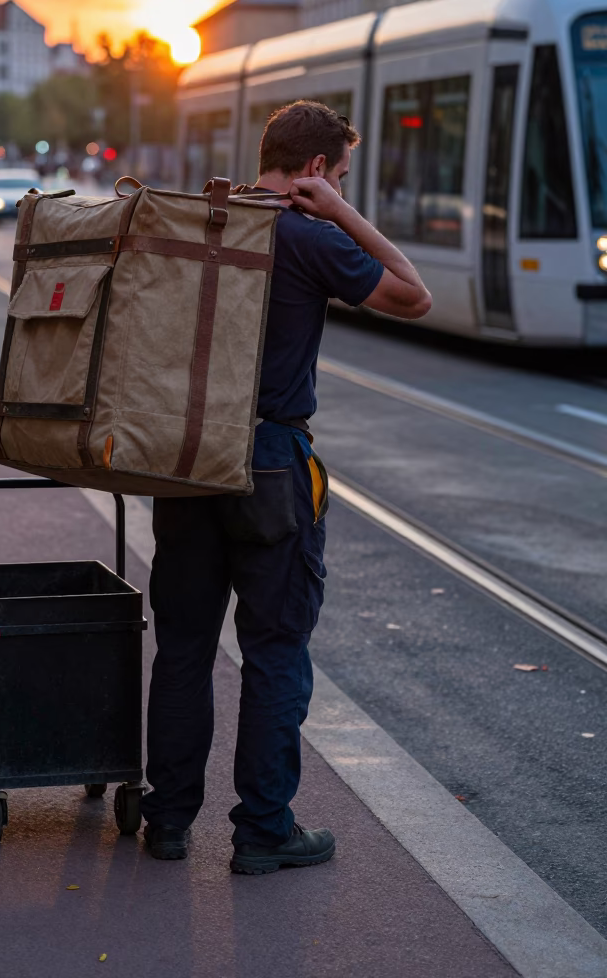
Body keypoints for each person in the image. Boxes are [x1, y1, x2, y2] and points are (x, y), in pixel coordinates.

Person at [141, 100, 431, 874]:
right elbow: (413, 294)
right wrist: (343, 213)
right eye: (336, 173)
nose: (335, 183)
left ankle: (167, 822)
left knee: (183, 648)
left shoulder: (205, 226)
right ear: (313, 170)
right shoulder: (308, 238)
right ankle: (263, 830)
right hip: (271, 462)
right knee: (274, 651)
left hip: (186, 458)